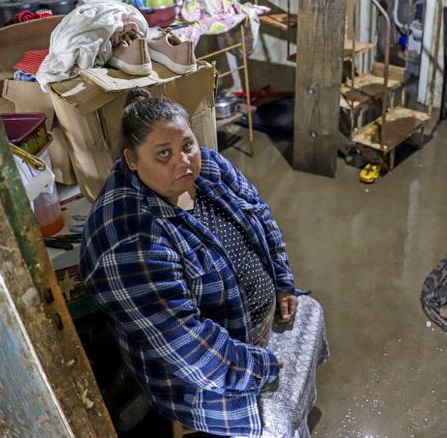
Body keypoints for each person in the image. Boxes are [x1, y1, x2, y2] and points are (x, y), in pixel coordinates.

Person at [80, 88, 304, 437]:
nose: (182, 162)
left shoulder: (209, 167)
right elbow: (191, 351)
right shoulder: (129, 239)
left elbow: (260, 216)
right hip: (207, 380)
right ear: (132, 160)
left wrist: (282, 282)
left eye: (187, 146)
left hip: (255, 329)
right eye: (163, 154)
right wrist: (265, 367)